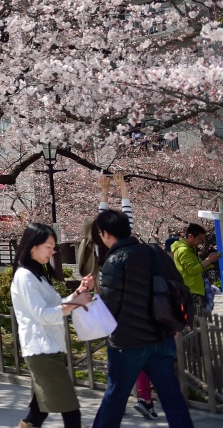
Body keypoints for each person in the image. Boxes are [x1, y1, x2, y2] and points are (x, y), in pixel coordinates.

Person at [92, 209, 195, 428]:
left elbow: (110, 307)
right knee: (172, 397)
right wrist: (176, 322)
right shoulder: (154, 252)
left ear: (105, 233)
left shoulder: (114, 260)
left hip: (128, 343)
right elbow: (179, 288)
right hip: (162, 337)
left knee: (115, 397)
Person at [87, 173, 157, 421]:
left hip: (115, 311)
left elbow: (114, 221)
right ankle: (141, 399)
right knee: (132, 353)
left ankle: (128, 397)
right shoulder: (122, 248)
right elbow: (116, 222)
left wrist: (110, 191)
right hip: (126, 310)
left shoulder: (107, 250)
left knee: (121, 353)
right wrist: (119, 189)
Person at [10, 223, 94, 428]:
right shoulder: (25, 276)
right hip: (41, 352)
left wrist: (77, 294)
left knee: (38, 411)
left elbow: (56, 306)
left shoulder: (37, 275)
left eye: (53, 246)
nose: (52, 251)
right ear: (32, 246)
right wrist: (76, 303)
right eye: (48, 246)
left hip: (49, 349)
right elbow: (42, 315)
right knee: (70, 408)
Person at [171, 223, 220, 313]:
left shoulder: (189, 249)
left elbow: (199, 266)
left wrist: (209, 260)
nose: (201, 242)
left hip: (194, 289)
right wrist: (208, 261)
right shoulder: (184, 250)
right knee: (199, 322)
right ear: (190, 236)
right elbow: (192, 270)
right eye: (199, 238)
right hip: (192, 291)